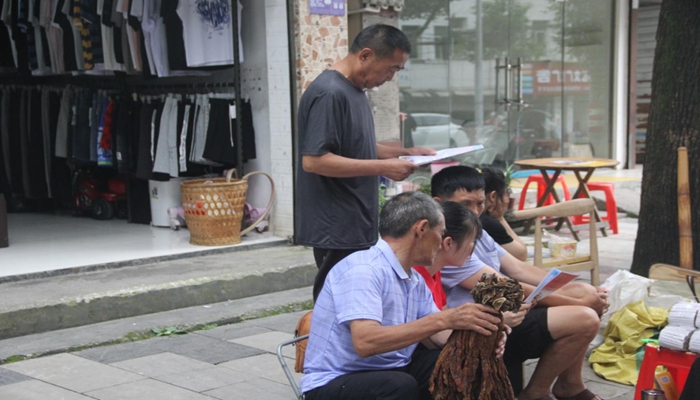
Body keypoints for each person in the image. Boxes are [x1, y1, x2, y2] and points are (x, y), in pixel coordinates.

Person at [300, 192, 505, 400]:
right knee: (398, 385)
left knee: (457, 365)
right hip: (335, 381)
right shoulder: (364, 269)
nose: (441, 242)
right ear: (421, 229)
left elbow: (439, 335)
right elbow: (365, 342)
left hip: (390, 372)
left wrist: (483, 336)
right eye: (440, 233)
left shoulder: (414, 279)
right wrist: (444, 319)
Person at [431, 165, 609, 400]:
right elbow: (507, 289)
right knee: (584, 317)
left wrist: (580, 292)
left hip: (509, 308)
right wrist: (581, 302)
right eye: (466, 204)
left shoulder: (476, 229)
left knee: (584, 291)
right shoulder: (449, 243)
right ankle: (536, 393)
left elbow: (518, 268)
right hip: (494, 316)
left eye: (480, 203)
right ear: (438, 203)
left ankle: (570, 383)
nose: (475, 211)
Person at [294, 24, 435, 301]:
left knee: (356, 300)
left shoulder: (355, 90)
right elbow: (314, 160)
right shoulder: (330, 92)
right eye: (391, 68)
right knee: (338, 302)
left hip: (356, 218)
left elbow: (358, 145)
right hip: (337, 222)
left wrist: (405, 153)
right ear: (366, 55)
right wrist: (383, 168)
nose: (390, 77)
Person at [413, 202, 482, 310]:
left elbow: (443, 315)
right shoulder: (413, 278)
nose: (473, 248)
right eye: (471, 241)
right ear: (448, 243)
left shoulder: (435, 273)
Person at [481, 167, 528, 261]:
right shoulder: (487, 222)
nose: (507, 200)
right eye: (506, 193)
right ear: (493, 196)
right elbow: (521, 255)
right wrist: (500, 218)